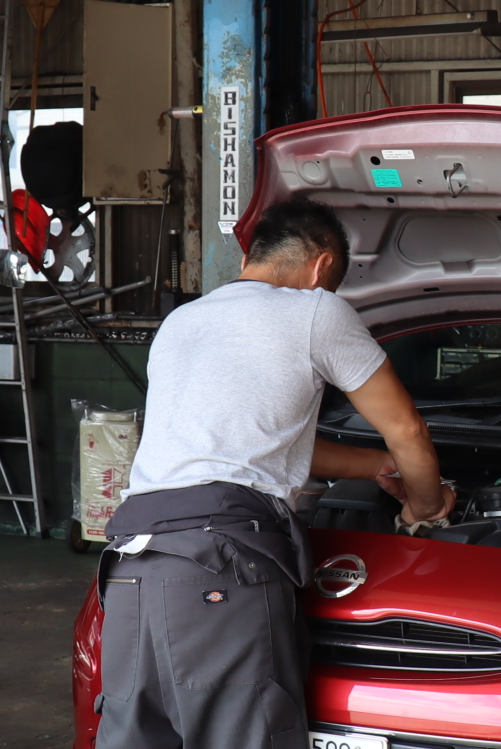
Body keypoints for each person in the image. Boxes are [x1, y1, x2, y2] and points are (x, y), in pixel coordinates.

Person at [93, 197, 455, 749]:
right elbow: (407, 430)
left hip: (129, 570)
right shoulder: (314, 309)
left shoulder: (181, 322)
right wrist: (426, 507)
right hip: (217, 566)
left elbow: (257, 443)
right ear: (321, 266)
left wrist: (378, 468)